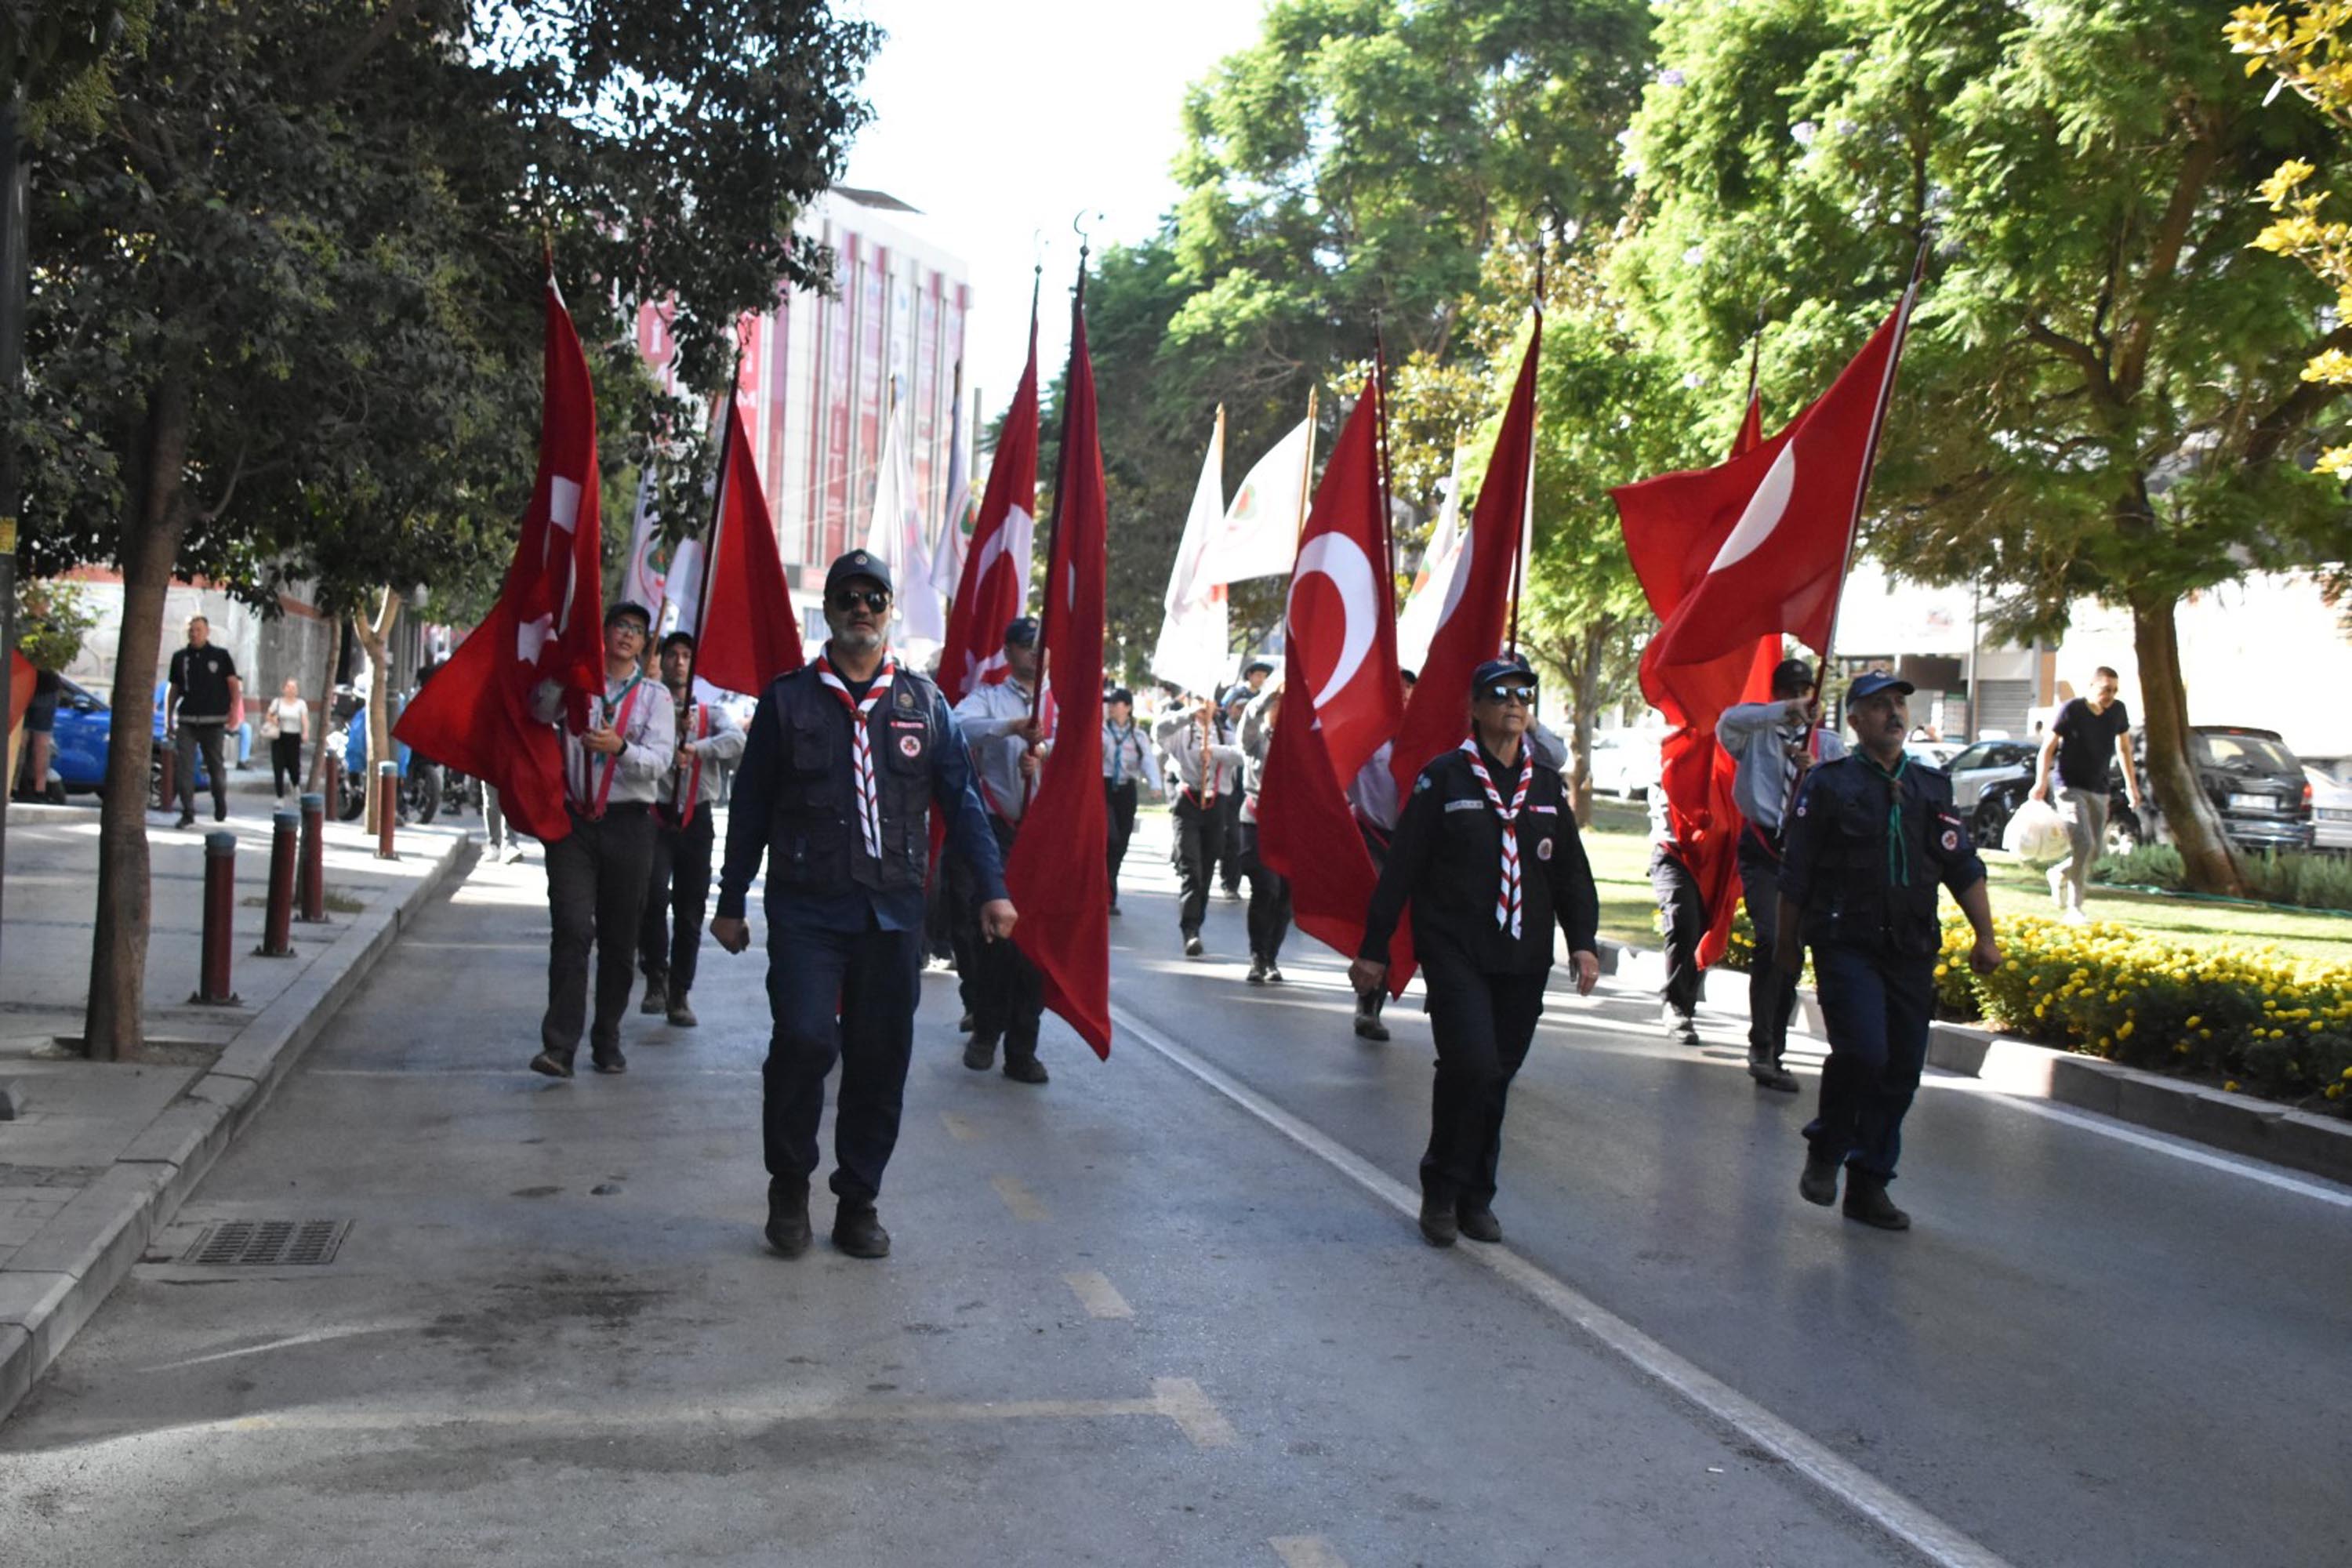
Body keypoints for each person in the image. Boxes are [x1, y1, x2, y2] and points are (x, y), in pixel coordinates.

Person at [710, 550, 1016, 1261]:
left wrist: (994, 889)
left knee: (880, 1058)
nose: (861, 609)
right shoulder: (788, 700)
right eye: (848, 597)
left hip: (894, 910)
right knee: (806, 1040)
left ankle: (858, 1200)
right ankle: (790, 1185)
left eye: (874, 598)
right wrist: (730, 900)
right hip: (808, 908)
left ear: (889, 611)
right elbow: (751, 806)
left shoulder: (923, 704)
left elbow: (963, 803)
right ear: (829, 610)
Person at [1351, 659, 1601, 1248]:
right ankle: (1440, 1190)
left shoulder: (1545, 787)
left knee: (1498, 1075)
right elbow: (1402, 869)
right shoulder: (1444, 778)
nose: (1514, 703)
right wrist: (1374, 950)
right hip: (1456, 949)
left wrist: (1583, 943)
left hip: (1524, 955)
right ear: (1475, 706)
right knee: (1471, 1065)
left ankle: (1476, 1196)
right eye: (1500, 693)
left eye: (1523, 695)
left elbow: (1570, 874)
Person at [1778, 672, 2001, 1231]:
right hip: (1846, 943)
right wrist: (1785, 946)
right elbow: (1796, 873)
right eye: (1879, 706)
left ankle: (1869, 1183)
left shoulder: (1931, 787)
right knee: (1863, 1053)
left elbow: (1961, 864)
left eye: (1899, 704)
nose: (1894, 714)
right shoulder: (1829, 785)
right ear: (1855, 721)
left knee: (1901, 1069)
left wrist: (1986, 935)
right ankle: (1828, 1147)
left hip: (1910, 947)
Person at [528, 601, 675, 1080]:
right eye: (619, 626)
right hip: (574, 823)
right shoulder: (580, 685)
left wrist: (621, 748)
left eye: (636, 629)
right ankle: (559, 1045)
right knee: (572, 928)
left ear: (644, 642)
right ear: (604, 633)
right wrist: (562, 672)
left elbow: (659, 762)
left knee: (619, 938)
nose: (627, 635)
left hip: (629, 824)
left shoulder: (655, 697)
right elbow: (538, 710)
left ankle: (607, 1036)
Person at [1715, 659, 1846, 1092]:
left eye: (1805, 691)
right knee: (1771, 938)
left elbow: (1846, 794)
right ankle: (1761, 1045)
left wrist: (1816, 771)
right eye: (1790, 691)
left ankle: (1776, 1048)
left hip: (1806, 854)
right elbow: (1727, 722)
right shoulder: (1755, 734)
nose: (1799, 698)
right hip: (1763, 847)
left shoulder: (1829, 746)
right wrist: (1783, 713)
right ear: (1776, 695)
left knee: (1792, 947)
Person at [952, 616, 1052, 1085]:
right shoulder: (990, 696)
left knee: (1035, 948)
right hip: (999, 831)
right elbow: (956, 726)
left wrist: (1046, 751)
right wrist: (1011, 727)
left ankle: (1022, 1048)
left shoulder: (1062, 700)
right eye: (1027, 644)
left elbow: (1084, 748)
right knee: (997, 937)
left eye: (1042, 644)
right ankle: (987, 1029)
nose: (1036, 652)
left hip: (1046, 837)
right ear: (1009, 651)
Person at [637, 631, 742, 1029]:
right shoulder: (648, 706)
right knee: (651, 896)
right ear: (661, 661)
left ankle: (680, 991)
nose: (679, 662)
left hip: (696, 817)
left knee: (690, 907)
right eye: (672, 655)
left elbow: (737, 740)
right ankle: (655, 976)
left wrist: (699, 748)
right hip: (655, 815)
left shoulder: (710, 713)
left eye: (686, 655)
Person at [2028, 666, 2142, 925]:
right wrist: (2040, 781)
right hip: (2069, 787)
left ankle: (2059, 873)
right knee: (2084, 843)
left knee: (2096, 851)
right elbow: (2048, 748)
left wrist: (2132, 786)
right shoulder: (2072, 710)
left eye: (2114, 690)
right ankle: (2075, 908)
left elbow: (2124, 748)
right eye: (2106, 690)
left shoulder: (2118, 711)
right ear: (2092, 687)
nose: (2110, 695)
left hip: (2099, 788)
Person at [1345, 668, 1415, 1041]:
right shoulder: (1364, 736)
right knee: (1380, 917)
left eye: (1408, 690)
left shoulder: (1429, 736)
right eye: (1396, 689)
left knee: (1413, 924)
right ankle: (1368, 1005)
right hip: (1372, 836)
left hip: (1415, 841)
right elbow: (1336, 771)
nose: (1402, 696)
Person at [1153, 692, 1245, 956]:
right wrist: (1187, 715)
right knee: (1191, 869)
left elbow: (1242, 755)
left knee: (1206, 870)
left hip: (1217, 805)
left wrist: (1214, 751)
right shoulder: (1182, 732)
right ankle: (1190, 929)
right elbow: (1159, 732)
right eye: (1200, 701)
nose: (1205, 707)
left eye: (1209, 702)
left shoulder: (1225, 734)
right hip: (1188, 803)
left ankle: (1197, 922)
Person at [1236, 682, 1293, 984]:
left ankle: (1271, 956)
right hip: (1257, 819)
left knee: (1285, 894)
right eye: (1276, 704)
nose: (1280, 710)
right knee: (1266, 887)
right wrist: (1270, 694)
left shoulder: (1300, 741)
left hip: (1289, 824)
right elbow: (1249, 721)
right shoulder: (1256, 740)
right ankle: (1257, 955)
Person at [165, 615, 241, 829]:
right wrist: (169, 718)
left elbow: (233, 686)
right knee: (185, 769)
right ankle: (188, 812)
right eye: (192, 630)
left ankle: (220, 799)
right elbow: (174, 689)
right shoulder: (180, 658)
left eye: (199, 630)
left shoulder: (220, 656)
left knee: (215, 767)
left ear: (207, 632)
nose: (194, 633)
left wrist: (234, 711)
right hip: (187, 721)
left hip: (214, 721)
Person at [1648, 781, 1706, 1048]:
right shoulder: (1668, 754)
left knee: (1705, 929)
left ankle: (1686, 1004)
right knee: (1683, 920)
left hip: (1713, 854)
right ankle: (1675, 1004)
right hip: (1672, 850)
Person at [1102, 687, 1150, 915]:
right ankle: (1102, 890)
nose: (1111, 707)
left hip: (1126, 789)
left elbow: (1148, 760)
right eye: (1110, 703)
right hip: (1104, 786)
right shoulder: (1102, 731)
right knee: (1110, 837)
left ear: (1128, 708)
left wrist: (1156, 785)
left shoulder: (1137, 736)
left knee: (1121, 841)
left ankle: (1110, 893)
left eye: (1116, 703)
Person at [1214, 688, 1251, 898]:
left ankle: (1232, 884)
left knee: (1237, 838)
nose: (1242, 711)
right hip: (1225, 788)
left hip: (1245, 790)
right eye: (1239, 707)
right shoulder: (1220, 731)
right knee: (1227, 836)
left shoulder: (1254, 730)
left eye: (1246, 707)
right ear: (1229, 709)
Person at [263, 678, 310, 803]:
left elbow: (304, 719)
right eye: (288, 687)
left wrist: (305, 732)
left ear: (297, 690)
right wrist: (273, 719)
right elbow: (268, 715)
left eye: (293, 687)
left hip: (294, 737)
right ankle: (280, 797)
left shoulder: (301, 704)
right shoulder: (277, 702)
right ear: (283, 689)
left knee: (294, 767)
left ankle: (295, 785)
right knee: (278, 767)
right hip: (279, 737)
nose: (290, 689)